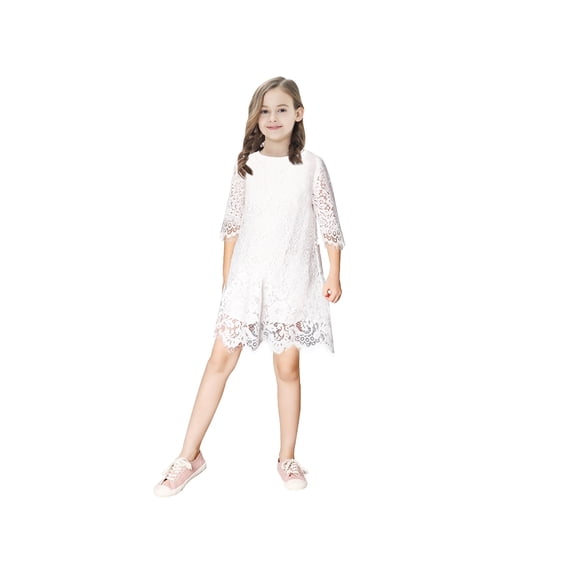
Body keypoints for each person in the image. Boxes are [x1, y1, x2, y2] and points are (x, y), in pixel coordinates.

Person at [154, 77, 345, 496]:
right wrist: (229, 283)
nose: (272, 117)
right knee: (219, 361)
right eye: (265, 111)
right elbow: (232, 226)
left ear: (298, 114)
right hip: (248, 278)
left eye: (282, 109)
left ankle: (287, 457)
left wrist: (334, 273)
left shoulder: (312, 166)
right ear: (256, 118)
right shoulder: (248, 166)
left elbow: (329, 223)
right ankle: (188, 456)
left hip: (291, 279)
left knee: (287, 367)